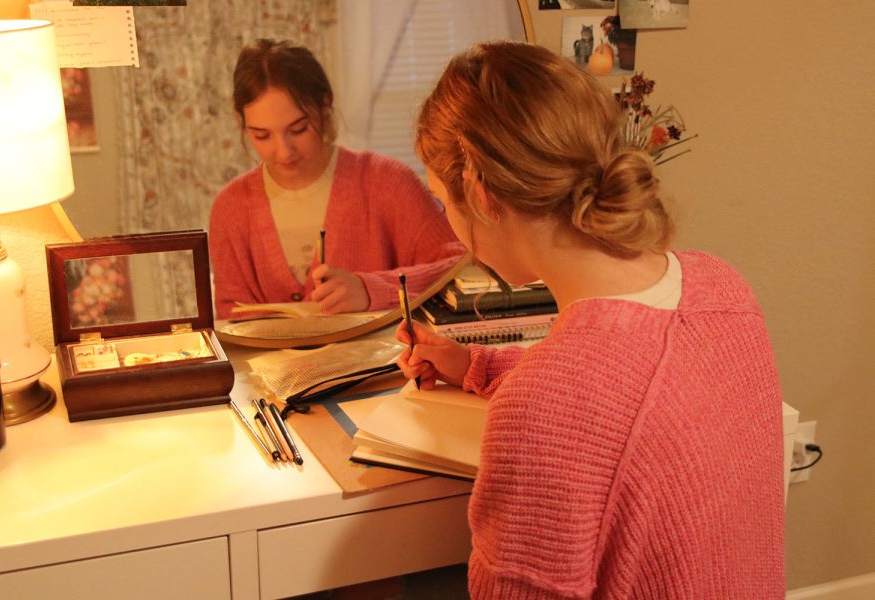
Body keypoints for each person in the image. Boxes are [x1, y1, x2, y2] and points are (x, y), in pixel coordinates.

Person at [396, 41, 785, 598]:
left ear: (479, 192)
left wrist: (520, 388)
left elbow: (584, 402)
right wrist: (475, 364)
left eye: (443, 200)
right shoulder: (724, 290)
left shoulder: (545, 406)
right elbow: (622, 394)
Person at [209, 38, 464, 318]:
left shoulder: (388, 183)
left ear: (325, 105)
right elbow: (231, 321)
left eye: (298, 129)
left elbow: (462, 267)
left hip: (385, 361)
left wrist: (372, 290)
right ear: (240, 123)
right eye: (262, 135)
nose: (283, 151)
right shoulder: (230, 208)